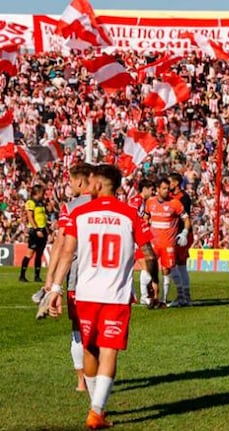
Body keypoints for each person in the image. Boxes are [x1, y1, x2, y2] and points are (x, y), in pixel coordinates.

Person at [47, 164, 158, 430]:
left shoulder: (80, 213)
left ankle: (96, 408)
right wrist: (151, 279)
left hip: (84, 293)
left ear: (98, 184)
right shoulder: (131, 214)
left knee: (90, 348)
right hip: (116, 294)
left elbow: (66, 253)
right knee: (109, 351)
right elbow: (149, 253)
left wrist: (54, 288)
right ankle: (97, 411)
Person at [34, 163, 94, 393]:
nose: (69, 186)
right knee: (99, 331)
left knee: (78, 329)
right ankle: (98, 378)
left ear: (80, 181)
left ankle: (82, 381)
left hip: (78, 275)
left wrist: (51, 280)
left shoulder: (70, 207)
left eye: (70, 182)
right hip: (106, 276)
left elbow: (61, 244)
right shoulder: (107, 204)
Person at [145, 177, 191, 307]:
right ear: (157, 189)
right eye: (164, 188)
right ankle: (149, 297)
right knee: (150, 269)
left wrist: (185, 233)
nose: (167, 191)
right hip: (153, 243)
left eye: (168, 188)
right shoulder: (150, 202)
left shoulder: (175, 203)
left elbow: (187, 219)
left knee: (167, 270)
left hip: (168, 244)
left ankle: (163, 300)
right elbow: (145, 216)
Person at [128, 179, 155, 306]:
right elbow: (131, 216)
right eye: (151, 189)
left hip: (135, 237)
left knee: (128, 270)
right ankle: (144, 296)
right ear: (144, 189)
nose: (153, 191)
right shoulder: (136, 200)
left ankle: (132, 296)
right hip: (134, 238)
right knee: (145, 266)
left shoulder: (142, 201)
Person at [168, 173, 194, 304]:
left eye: (170, 182)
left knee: (177, 265)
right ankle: (184, 296)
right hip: (175, 234)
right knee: (179, 265)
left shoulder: (183, 198)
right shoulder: (172, 197)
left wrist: (184, 232)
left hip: (182, 234)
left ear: (176, 183)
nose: (168, 185)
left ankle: (183, 296)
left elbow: (184, 217)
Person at [19, 184, 48, 282]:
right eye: (42, 192)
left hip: (43, 229)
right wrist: (37, 230)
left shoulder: (40, 203)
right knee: (30, 253)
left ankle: (37, 276)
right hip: (35, 231)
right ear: (38, 192)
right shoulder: (30, 202)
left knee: (39, 254)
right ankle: (22, 275)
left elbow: (42, 217)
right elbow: (30, 217)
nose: (43, 194)